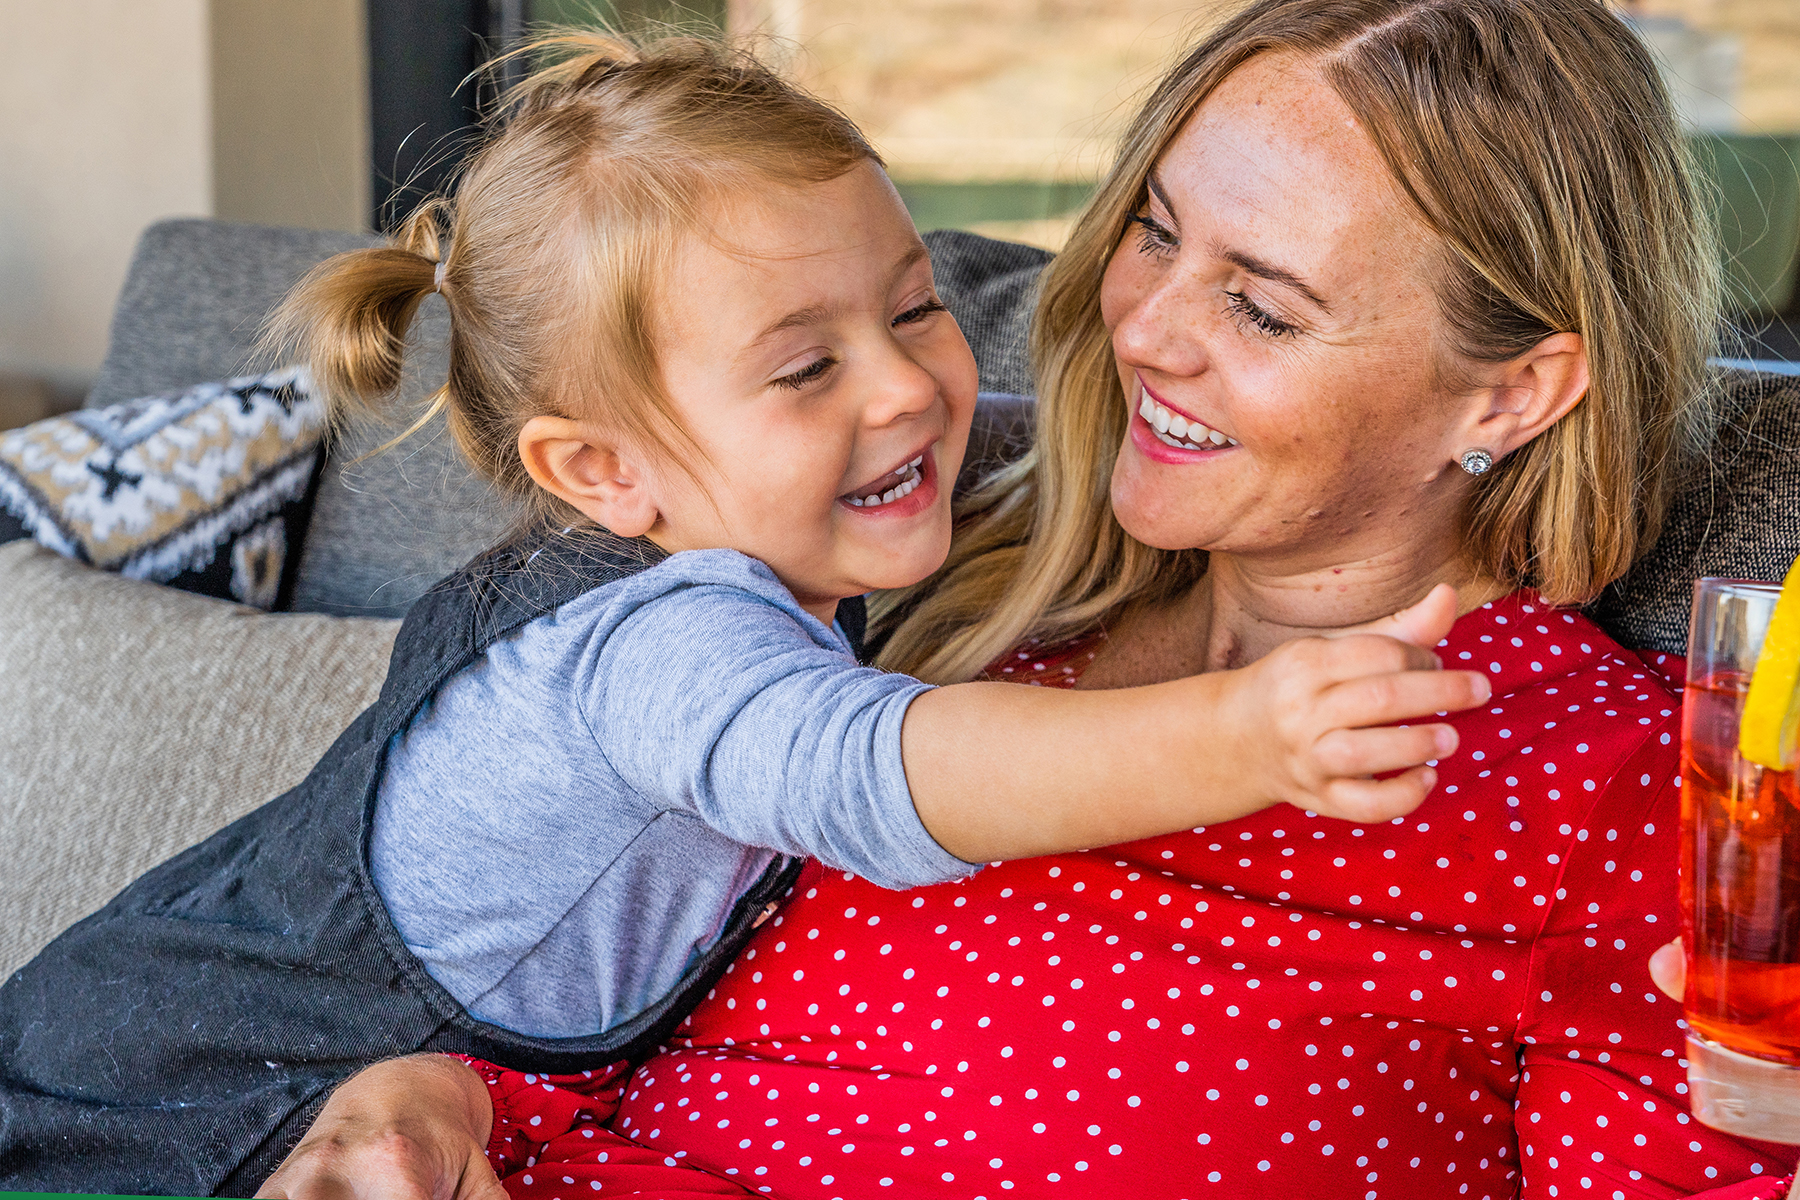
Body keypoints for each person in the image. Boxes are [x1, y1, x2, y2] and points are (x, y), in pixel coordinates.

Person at [258, 0, 1800, 1197]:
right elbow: (580, 962)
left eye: (1259, 303)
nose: (1146, 332)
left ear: (1514, 391)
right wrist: (428, 1092)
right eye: (1154, 234)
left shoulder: (1629, 802)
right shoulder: (912, 582)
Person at [0, 31, 1480, 1196]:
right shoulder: (660, 649)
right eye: (803, 369)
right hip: (149, 1123)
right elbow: (873, 770)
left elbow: (1046, 439)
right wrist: (1246, 730)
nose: (906, 386)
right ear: (602, 472)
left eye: (910, 310)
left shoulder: (777, 505)